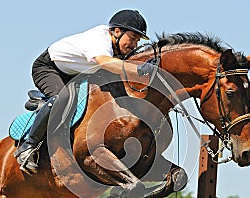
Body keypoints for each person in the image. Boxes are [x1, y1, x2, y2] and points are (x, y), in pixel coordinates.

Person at [14, 9, 157, 174]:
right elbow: (106, 63)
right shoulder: (99, 39)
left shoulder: (117, 48)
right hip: (48, 68)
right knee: (62, 98)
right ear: (117, 32)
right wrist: (139, 70)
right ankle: (28, 147)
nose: (134, 45)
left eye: (138, 41)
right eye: (132, 38)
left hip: (76, 73)